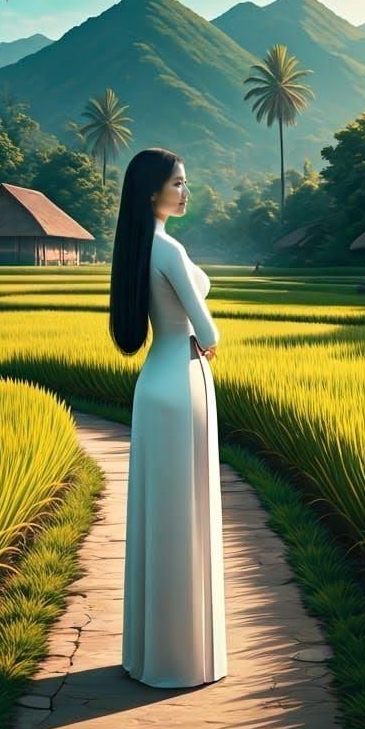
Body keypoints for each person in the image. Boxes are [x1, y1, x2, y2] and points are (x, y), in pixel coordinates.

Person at [109, 147, 227, 687]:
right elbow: (209, 331)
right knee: (185, 517)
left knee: (159, 518)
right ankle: (184, 659)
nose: (185, 191)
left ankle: (149, 655)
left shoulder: (137, 246)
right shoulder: (170, 249)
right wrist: (208, 338)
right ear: (152, 191)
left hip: (152, 383)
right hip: (183, 381)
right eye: (177, 182)